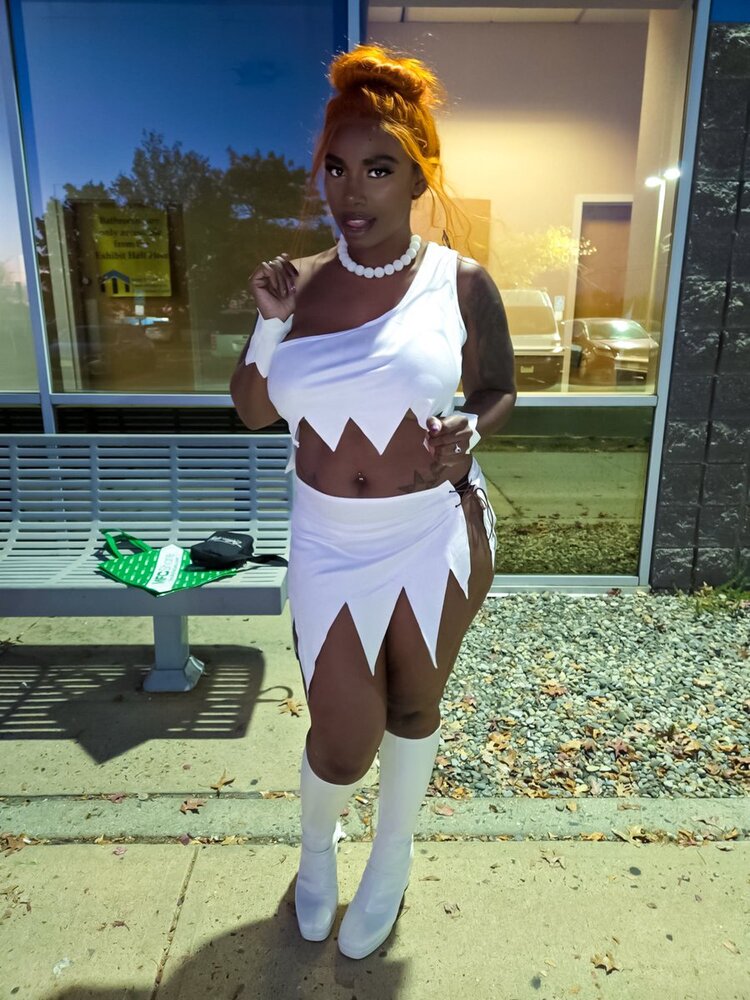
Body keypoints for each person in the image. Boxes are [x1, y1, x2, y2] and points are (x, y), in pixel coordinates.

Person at [230, 44, 516, 960]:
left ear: (419, 178)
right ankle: (317, 848)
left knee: (414, 709)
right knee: (344, 740)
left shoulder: (460, 282)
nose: (351, 192)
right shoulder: (295, 284)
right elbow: (252, 409)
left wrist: (471, 429)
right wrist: (270, 323)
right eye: (337, 168)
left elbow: (499, 388)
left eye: (379, 169)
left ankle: (392, 856)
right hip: (329, 541)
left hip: (434, 530)